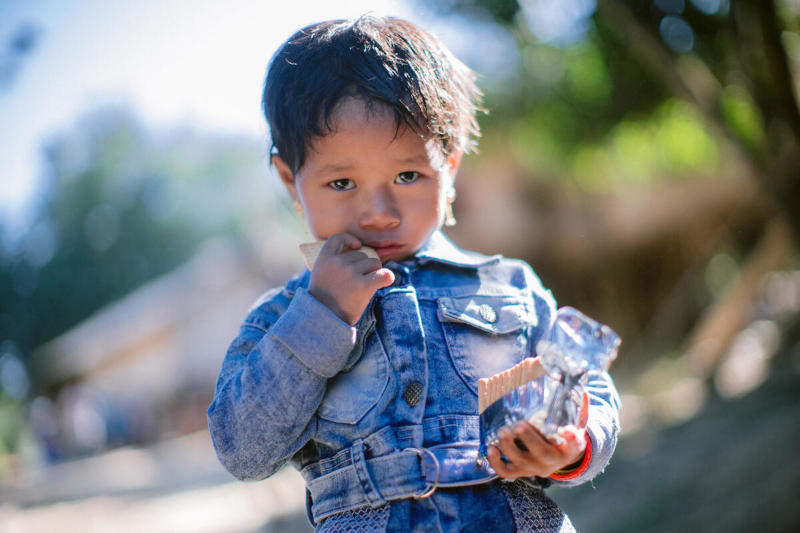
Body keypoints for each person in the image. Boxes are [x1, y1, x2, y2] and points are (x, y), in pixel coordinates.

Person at [207, 14, 620, 533]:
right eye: (341, 183)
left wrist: (571, 445)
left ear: (448, 168)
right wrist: (323, 315)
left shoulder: (509, 286)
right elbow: (242, 450)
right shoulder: (281, 318)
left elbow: (591, 393)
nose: (379, 210)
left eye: (407, 175)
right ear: (291, 181)